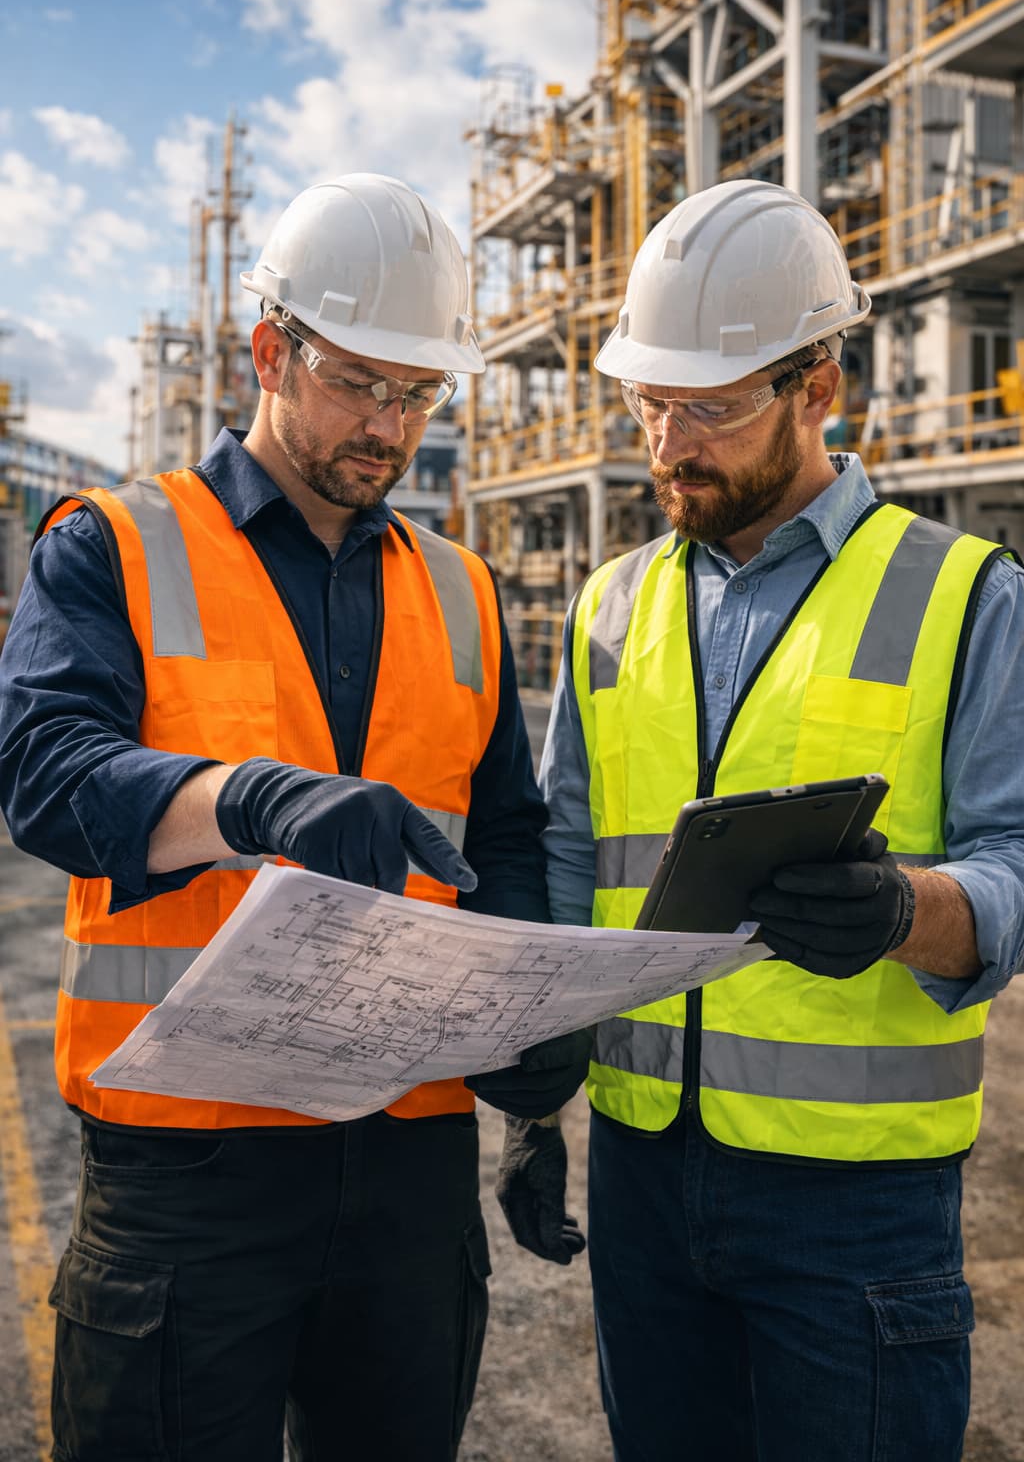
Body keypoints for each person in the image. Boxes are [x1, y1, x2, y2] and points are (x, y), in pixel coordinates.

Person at [0, 172, 590, 1462]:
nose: (391, 425)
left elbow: (498, 840)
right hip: (190, 1162)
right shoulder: (113, 544)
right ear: (270, 352)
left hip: (408, 1157)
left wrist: (536, 1063)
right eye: (360, 383)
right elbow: (42, 772)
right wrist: (241, 801)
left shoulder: (463, 588)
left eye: (419, 392)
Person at [498, 179, 1024, 1461]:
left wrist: (915, 911)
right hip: (639, 1173)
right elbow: (575, 854)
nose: (669, 442)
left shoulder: (963, 593)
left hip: (855, 1204)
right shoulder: (609, 606)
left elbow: (1014, 862)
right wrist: (535, 1103)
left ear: (818, 387)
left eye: (712, 408)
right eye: (648, 401)